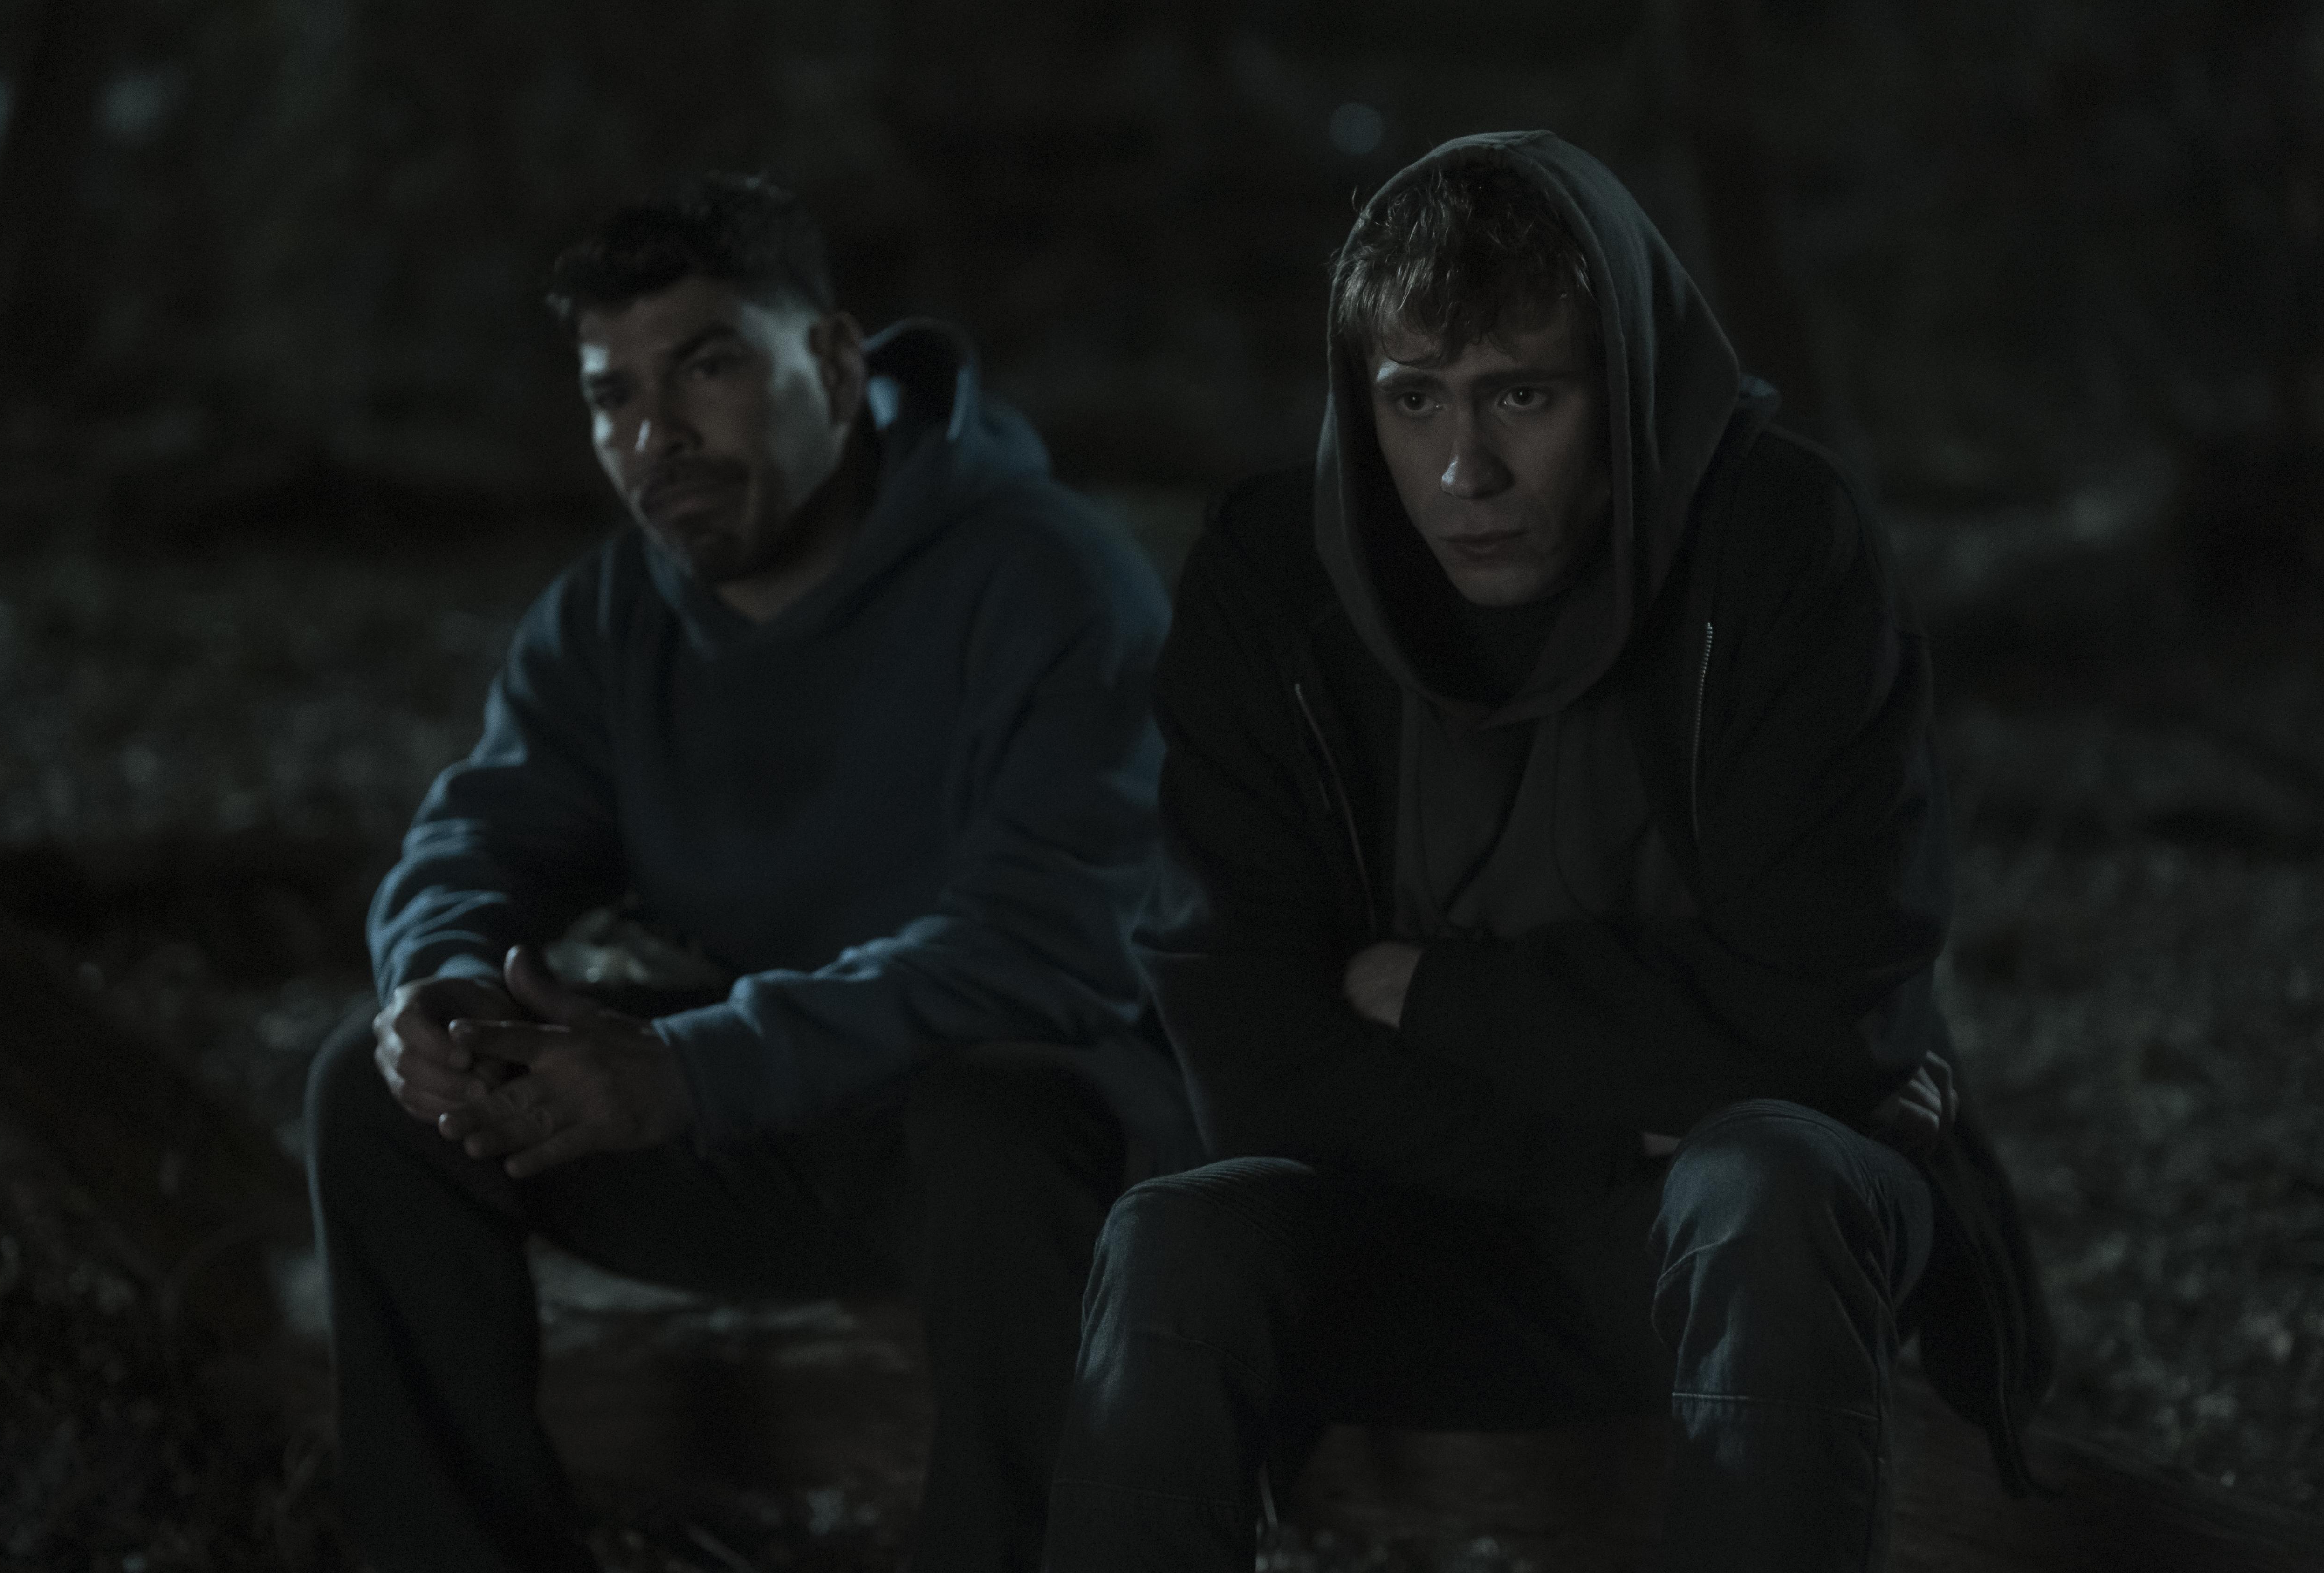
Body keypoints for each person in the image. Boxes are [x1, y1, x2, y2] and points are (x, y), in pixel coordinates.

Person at [1042, 131, 2052, 1572]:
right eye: (1415, 400)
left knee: (1763, 1178)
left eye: (1526, 394)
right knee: (1174, 1237)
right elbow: (1254, 1058)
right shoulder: (1273, 578)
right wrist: (1624, 1116)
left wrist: (1428, 993)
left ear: (1626, 386)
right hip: (1422, 1234)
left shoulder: (1778, 541)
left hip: (1744, 1247)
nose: (1468, 469)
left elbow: (1825, 1024)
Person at [305, 172, 1191, 1573]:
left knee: (1002, 1121)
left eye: (708, 367)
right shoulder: (608, 619)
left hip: (1048, 1151)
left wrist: (692, 1068)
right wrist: (443, 980)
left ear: (833, 363)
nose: (655, 435)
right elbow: (476, 839)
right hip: (768, 1122)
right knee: (377, 1093)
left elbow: (1044, 952)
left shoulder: (1052, 584)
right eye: (612, 396)